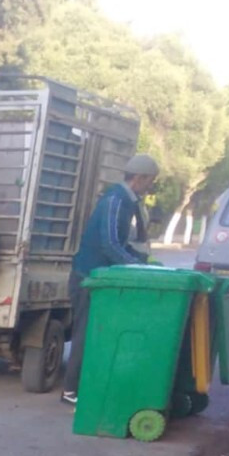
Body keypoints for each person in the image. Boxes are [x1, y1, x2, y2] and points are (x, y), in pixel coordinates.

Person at [61, 152, 160, 404]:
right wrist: (136, 266)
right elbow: (109, 244)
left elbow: (122, 243)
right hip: (88, 277)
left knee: (99, 333)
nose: (151, 186)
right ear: (139, 177)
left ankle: (88, 386)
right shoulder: (116, 200)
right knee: (86, 333)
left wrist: (140, 259)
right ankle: (70, 391)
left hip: (102, 279)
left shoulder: (128, 201)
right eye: (150, 180)